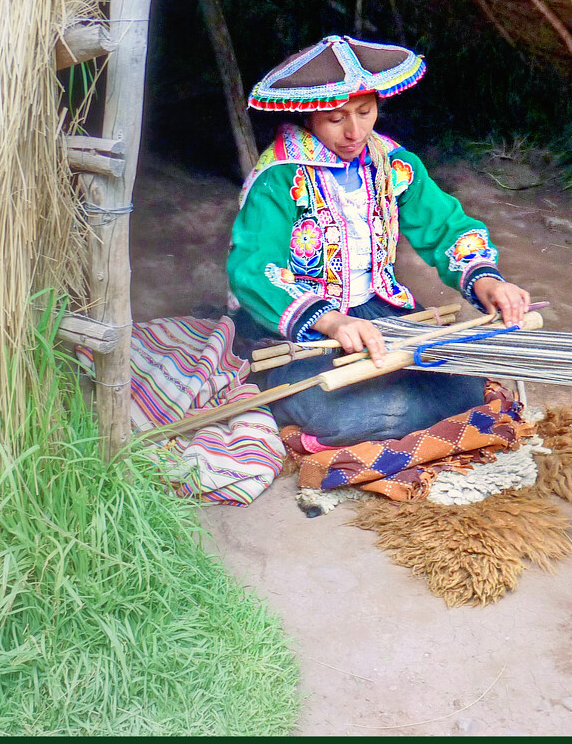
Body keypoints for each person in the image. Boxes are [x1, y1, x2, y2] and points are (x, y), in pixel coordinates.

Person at [227, 35, 530, 446]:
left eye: (365, 112)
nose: (354, 131)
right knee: (371, 412)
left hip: (378, 309)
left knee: (464, 389)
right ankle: (286, 395)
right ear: (310, 116)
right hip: (297, 323)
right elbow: (253, 269)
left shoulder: (392, 162)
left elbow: (444, 225)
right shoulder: (279, 177)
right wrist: (330, 320)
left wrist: (486, 280)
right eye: (336, 119)